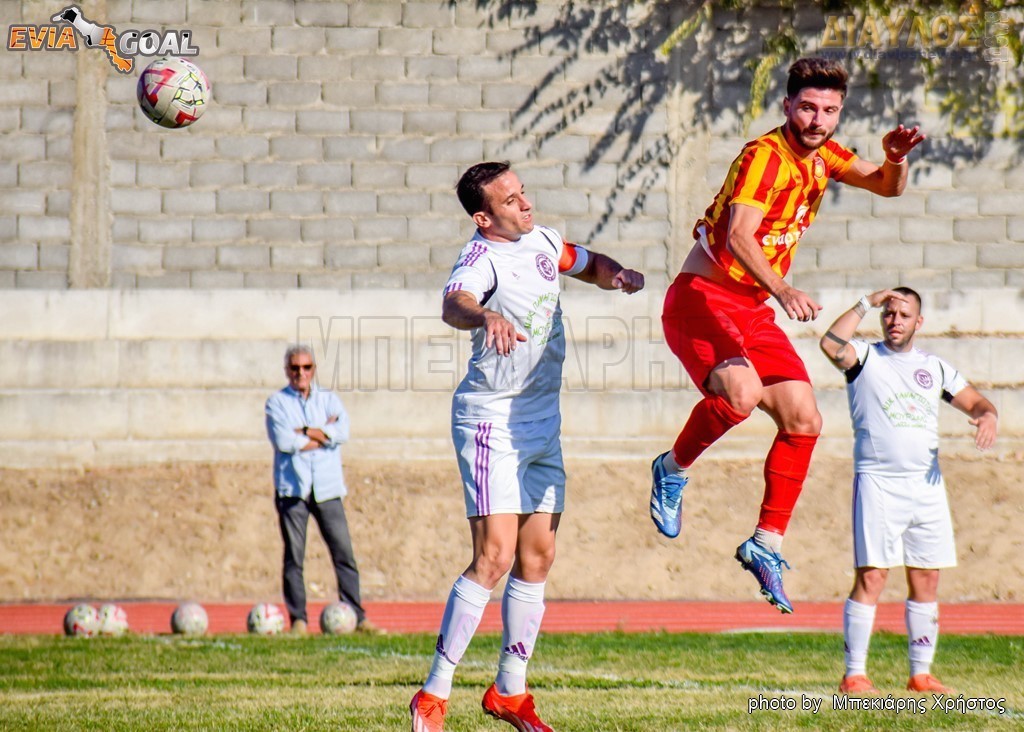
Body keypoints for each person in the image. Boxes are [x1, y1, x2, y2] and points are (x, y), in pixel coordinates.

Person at [648, 57, 926, 614]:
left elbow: (886, 188)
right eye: (808, 108)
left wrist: (895, 159)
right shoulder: (763, 157)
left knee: (805, 419)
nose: (818, 120)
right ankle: (671, 469)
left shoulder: (826, 155)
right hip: (702, 299)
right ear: (787, 106)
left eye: (829, 110)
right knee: (742, 394)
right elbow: (740, 236)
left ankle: (766, 543)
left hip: (751, 309)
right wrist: (782, 289)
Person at [409, 161, 644, 732]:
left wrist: (615, 275)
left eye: (523, 193)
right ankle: (433, 693)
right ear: (483, 218)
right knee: (494, 556)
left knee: (538, 556)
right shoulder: (480, 258)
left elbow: (585, 262)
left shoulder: (542, 240)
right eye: (510, 201)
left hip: (541, 422)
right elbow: (454, 303)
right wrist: (484, 315)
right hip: (492, 421)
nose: (525, 204)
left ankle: (510, 691)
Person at [820, 287, 997, 694]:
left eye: (903, 315)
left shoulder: (934, 368)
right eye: (889, 313)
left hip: (926, 486)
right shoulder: (865, 357)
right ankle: (854, 674)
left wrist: (988, 416)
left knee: (927, 578)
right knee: (872, 577)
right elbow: (830, 345)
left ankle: (920, 674)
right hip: (878, 483)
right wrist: (865, 303)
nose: (894, 320)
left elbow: (978, 403)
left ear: (919, 322)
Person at [264, 345, 380, 635]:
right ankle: (299, 620)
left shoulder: (329, 399)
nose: (300, 373)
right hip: (293, 490)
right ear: (287, 370)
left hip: (327, 488)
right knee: (294, 558)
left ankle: (356, 615)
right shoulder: (276, 403)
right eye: (294, 368)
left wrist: (303, 431)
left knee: (344, 554)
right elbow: (284, 442)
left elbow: (342, 433)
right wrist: (322, 434)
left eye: (306, 367)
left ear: (314, 369)